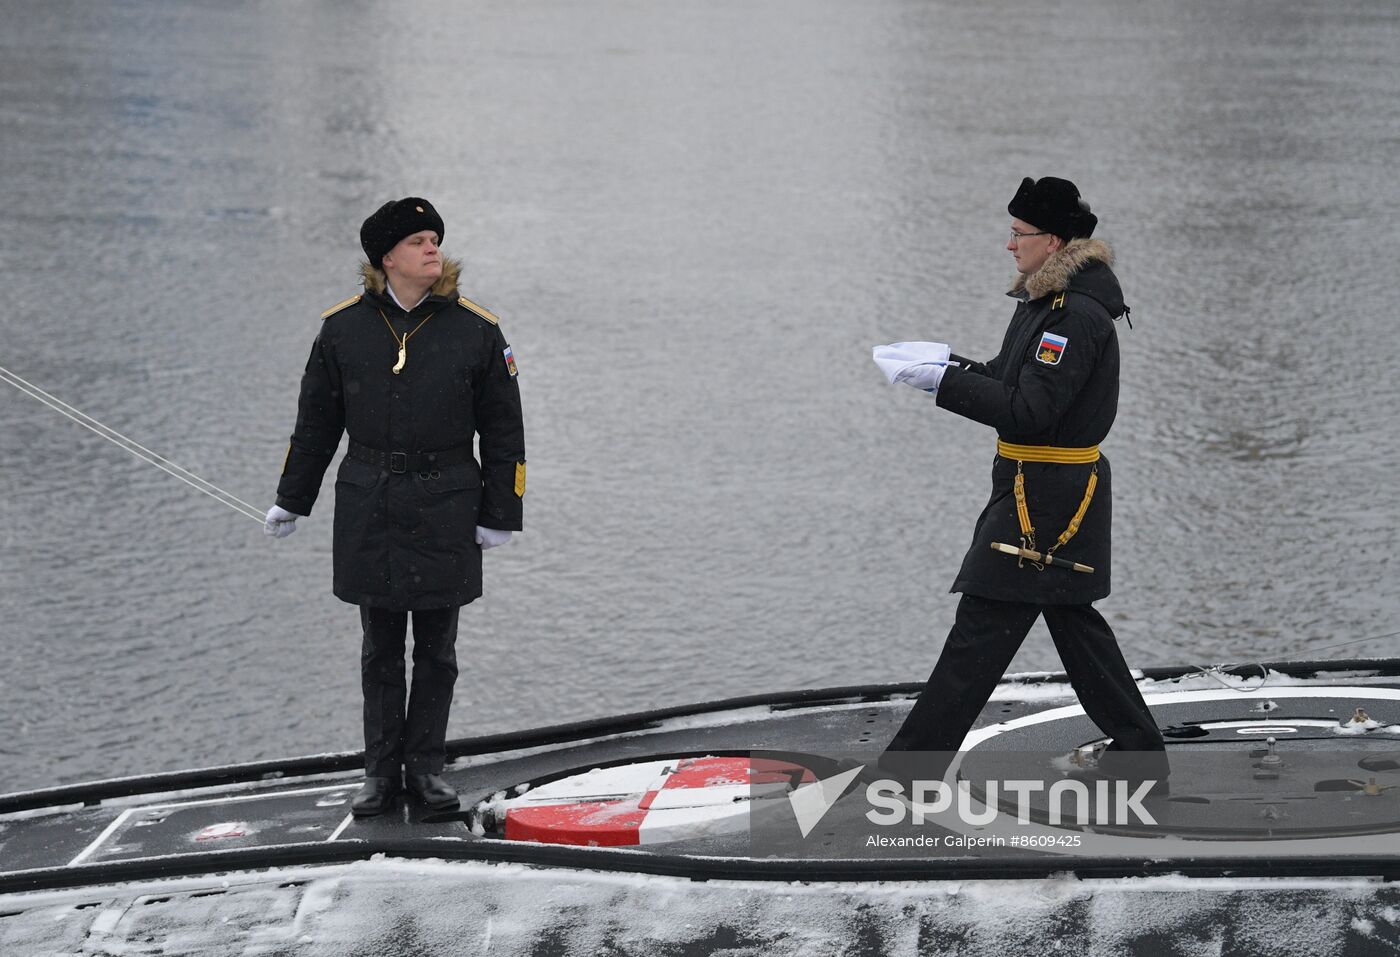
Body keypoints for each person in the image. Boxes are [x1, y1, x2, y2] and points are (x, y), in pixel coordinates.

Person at [876, 176, 1166, 788]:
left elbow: (1030, 411)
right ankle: (1140, 751)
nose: (1010, 244)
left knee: (980, 628)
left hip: (1048, 499)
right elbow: (1010, 380)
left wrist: (943, 385)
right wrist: (946, 363)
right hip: (1041, 486)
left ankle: (905, 774)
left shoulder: (1071, 317)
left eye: (1019, 233)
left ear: (1053, 241)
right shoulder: (1046, 303)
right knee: (1073, 624)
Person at [264, 197, 525, 816]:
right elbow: (315, 425)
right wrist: (291, 500)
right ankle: (380, 774)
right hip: (370, 505)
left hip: (446, 506)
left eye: (435, 239)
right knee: (380, 650)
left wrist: (500, 513)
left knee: (437, 650)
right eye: (418, 241)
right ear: (387, 258)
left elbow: (505, 431)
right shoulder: (343, 329)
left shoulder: (476, 330)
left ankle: (427, 770)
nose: (433, 248)